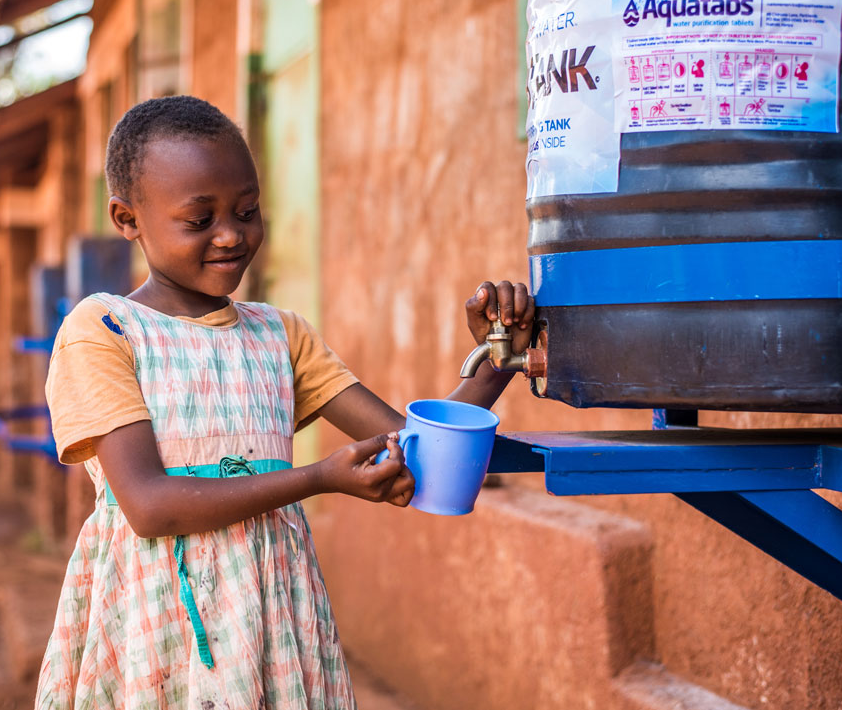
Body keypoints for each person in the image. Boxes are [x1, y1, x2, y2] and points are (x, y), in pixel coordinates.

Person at [35, 95, 534, 709]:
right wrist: (318, 479)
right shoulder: (104, 331)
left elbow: (417, 458)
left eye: (247, 211)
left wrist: (496, 353)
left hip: (274, 618)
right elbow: (150, 506)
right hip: (155, 619)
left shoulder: (280, 336)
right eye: (199, 220)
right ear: (127, 217)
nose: (231, 235)